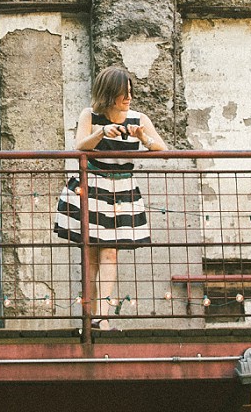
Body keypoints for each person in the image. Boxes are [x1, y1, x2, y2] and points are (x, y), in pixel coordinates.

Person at [53, 66, 168, 329]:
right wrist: (102, 132)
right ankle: (91, 317)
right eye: (122, 94)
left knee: (110, 253)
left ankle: (102, 317)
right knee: (91, 254)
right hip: (92, 186)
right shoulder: (90, 115)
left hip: (122, 189)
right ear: (108, 94)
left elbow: (162, 149)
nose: (128, 98)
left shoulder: (138, 118)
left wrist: (142, 136)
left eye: (129, 92)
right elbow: (80, 145)